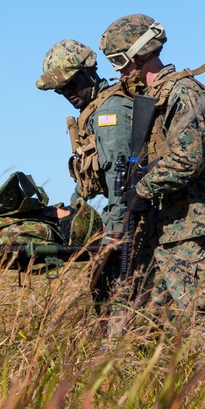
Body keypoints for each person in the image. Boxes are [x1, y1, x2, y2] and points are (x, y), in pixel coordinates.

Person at [99, 14, 205, 339]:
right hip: (164, 229)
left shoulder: (183, 93)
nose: (116, 70)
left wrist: (141, 191)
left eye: (119, 60)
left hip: (190, 229)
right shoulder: (154, 99)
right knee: (134, 319)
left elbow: (186, 159)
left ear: (142, 53)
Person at [35, 39, 145, 313]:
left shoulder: (110, 112)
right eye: (61, 90)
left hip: (128, 225)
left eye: (72, 84)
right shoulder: (94, 112)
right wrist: (71, 213)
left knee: (119, 304)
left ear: (90, 72)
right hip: (120, 222)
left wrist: (113, 238)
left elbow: (121, 180)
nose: (68, 93)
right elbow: (88, 181)